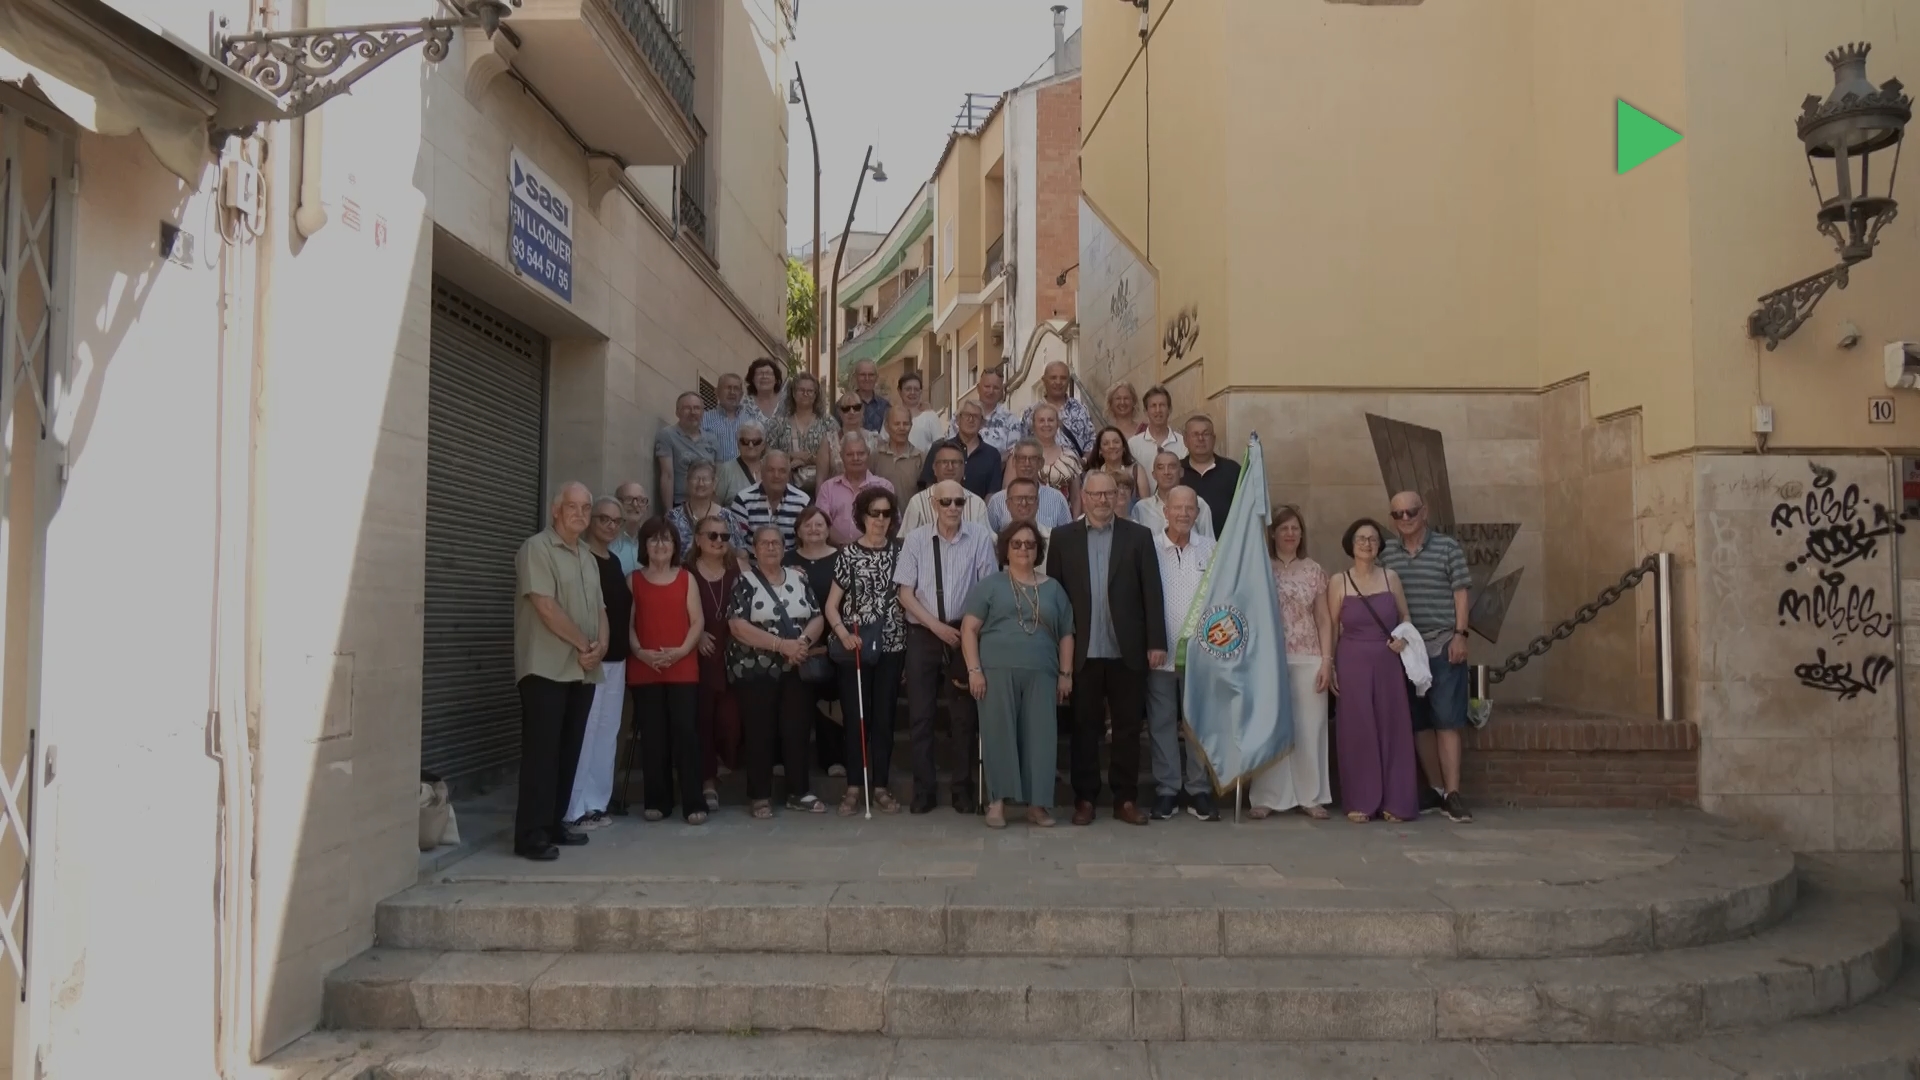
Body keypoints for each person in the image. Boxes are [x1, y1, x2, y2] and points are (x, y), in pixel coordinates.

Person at [1046, 470, 1166, 827]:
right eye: (1095, 494)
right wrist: (1056, 650)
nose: (1102, 500)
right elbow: (1055, 597)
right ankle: (1085, 799)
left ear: (1118, 497)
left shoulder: (1138, 536)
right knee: (1084, 729)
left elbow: (1151, 592)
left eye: (1108, 494)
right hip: (1081, 651)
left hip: (1126, 650)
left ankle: (1125, 799)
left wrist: (1156, 642)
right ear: (1083, 498)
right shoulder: (1062, 538)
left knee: (1127, 729)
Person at [511, 482, 606, 861]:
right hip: (546, 668)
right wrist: (585, 646)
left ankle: (553, 823)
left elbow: (600, 609)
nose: (580, 514)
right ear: (555, 510)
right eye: (572, 506)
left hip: (582, 670)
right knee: (542, 753)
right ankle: (530, 834)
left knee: (569, 751)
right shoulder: (536, 548)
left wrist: (600, 647)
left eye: (586, 508)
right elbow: (545, 606)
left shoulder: (587, 556)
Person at [895, 480, 1001, 814]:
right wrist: (936, 626)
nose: (953, 508)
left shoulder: (980, 537)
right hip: (924, 632)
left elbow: (988, 588)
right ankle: (923, 790)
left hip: (964, 633)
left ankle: (962, 789)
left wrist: (967, 628)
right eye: (946, 502)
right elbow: (905, 593)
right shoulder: (916, 539)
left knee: (963, 718)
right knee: (921, 715)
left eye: (959, 502)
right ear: (934, 503)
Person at [962, 521, 1075, 829]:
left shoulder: (1053, 588)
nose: (1023, 549)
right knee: (998, 734)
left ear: (1038, 550)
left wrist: (1066, 674)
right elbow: (969, 629)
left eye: (1030, 544)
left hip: (1042, 672)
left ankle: (1037, 805)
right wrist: (974, 670)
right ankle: (997, 803)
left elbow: (1067, 633)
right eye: (1017, 544)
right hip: (996, 672)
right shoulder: (990, 585)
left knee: (1041, 738)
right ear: (1006, 550)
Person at [1380, 490, 1475, 824]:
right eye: (1398, 514)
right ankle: (1436, 789)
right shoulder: (1385, 553)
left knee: (1447, 720)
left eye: (1411, 511)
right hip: (1407, 652)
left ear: (1425, 512)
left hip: (1443, 644)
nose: (1405, 518)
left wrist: (1460, 635)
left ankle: (1453, 793)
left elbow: (1461, 593)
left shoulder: (1447, 548)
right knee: (1419, 723)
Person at [726, 525, 829, 818]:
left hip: (796, 666)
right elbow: (737, 626)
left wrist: (802, 642)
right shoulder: (744, 581)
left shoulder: (799, 577)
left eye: (776, 543)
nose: (771, 548)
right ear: (755, 550)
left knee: (797, 728)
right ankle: (760, 795)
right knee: (759, 731)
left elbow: (817, 617)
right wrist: (780, 645)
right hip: (755, 670)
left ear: (784, 549)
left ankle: (799, 791)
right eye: (764, 543)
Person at [824, 487, 908, 816]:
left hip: (892, 645)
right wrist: (843, 634)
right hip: (856, 646)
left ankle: (881, 787)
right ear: (862, 516)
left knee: (885, 718)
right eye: (874, 513)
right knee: (857, 717)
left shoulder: (901, 552)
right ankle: (853, 788)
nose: (880, 520)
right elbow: (831, 606)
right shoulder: (848, 554)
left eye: (886, 513)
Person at [1329, 518, 1418, 824]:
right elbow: (1332, 627)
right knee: (1357, 728)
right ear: (1351, 545)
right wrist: (1331, 665)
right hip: (1351, 662)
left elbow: (1405, 615)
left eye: (1372, 539)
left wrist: (1403, 637)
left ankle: (1397, 801)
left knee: (1392, 727)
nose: (1367, 544)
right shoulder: (1339, 581)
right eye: (1361, 539)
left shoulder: (1391, 578)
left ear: (1379, 545)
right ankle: (1361, 800)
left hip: (1387, 662)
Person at [1249, 505, 1334, 820]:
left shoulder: (1314, 570)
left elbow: (1323, 618)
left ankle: (1310, 795)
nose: (1290, 534)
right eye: (1284, 528)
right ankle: (1266, 796)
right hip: (1270, 659)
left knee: (1310, 728)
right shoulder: (1261, 568)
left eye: (1295, 528)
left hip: (1309, 657)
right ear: (1273, 533)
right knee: (1270, 727)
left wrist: (1326, 661)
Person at [626, 518, 706, 824]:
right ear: (644, 545)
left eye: (666, 539)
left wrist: (681, 652)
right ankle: (658, 800)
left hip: (682, 666)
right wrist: (640, 652)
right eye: (653, 539)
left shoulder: (687, 578)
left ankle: (694, 802)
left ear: (675, 546)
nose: (660, 545)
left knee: (686, 734)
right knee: (653, 736)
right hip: (645, 667)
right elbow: (628, 625)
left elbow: (697, 622)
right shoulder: (633, 580)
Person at [1145, 487, 1218, 821]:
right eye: (1178, 508)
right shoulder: (1149, 548)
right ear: (1166, 511)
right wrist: (1150, 642)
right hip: (1161, 653)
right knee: (1161, 722)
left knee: (1197, 724)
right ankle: (1167, 789)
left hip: (1201, 657)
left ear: (1198, 514)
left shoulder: (1212, 549)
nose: (1184, 514)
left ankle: (1199, 788)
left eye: (1190, 508)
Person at [564, 497, 633, 831]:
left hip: (617, 660)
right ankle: (572, 808)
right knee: (585, 733)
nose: (610, 526)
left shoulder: (615, 561)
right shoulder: (579, 557)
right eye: (604, 518)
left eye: (616, 521)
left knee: (606, 735)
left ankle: (595, 803)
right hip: (589, 659)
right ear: (590, 520)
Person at [786, 506, 846, 781]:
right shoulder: (787, 559)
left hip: (834, 640)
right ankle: (787, 761)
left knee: (830, 702)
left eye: (819, 524)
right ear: (798, 531)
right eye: (807, 525)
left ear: (828, 528)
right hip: (794, 643)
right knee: (793, 705)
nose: (813, 529)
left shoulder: (841, 558)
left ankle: (833, 758)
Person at [687, 514, 742, 811]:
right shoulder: (686, 572)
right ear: (698, 540)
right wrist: (694, 636)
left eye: (724, 536)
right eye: (712, 535)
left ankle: (725, 762)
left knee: (730, 720)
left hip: (732, 654)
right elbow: (673, 611)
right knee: (703, 720)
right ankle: (707, 781)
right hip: (699, 655)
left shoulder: (737, 570)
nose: (719, 541)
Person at [816, 433, 894, 546]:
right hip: (835, 550)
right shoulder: (828, 488)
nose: (856, 458)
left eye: (861, 454)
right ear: (841, 456)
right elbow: (820, 524)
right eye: (850, 454)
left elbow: (893, 524)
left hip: (874, 550)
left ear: (868, 454)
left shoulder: (884, 487)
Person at [725, 449, 810, 552]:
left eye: (782, 471)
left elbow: (807, 544)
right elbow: (737, 546)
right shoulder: (743, 500)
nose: (776, 475)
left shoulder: (803, 501)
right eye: (771, 470)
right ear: (761, 471)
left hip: (791, 561)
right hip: (753, 561)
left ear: (788, 474)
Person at [901, 440, 990, 533]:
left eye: (955, 462)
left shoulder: (977, 504)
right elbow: (907, 539)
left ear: (963, 468)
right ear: (934, 468)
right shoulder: (917, 503)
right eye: (944, 462)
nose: (950, 467)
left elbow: (986, 538)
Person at [920, 400, 1002, 498]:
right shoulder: (939, 449)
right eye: (967, 415)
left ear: (982, 423)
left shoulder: (992, 455)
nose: (971, 419)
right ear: (958, 420)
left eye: (976, 416)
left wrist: (979, 508)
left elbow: (992, 493)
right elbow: (928, 485)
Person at [771, 371, 835, 494]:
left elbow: (836, 458)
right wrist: (790, 457)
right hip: (786, 489)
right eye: (801, 390)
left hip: (821, 489)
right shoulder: (778, 423)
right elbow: (768, 454)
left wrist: (808, 459)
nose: (805, 394)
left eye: (810, 391)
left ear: (816, 394)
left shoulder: (828, 423)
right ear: (793, 393)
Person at [990, 439, 1072, 531]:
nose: (1027, 464)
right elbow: (991, 537)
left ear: (1041, 463)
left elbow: (1068, 535)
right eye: (1022, 458)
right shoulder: (997, 501)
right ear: (1014, 462)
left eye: (1033, 459)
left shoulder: (1057, 499)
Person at [655, 393, 720, 509]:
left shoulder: (712, 439)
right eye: (687, 408)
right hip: (681, 503)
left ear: (702, 412)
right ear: (677, 412)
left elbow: (717, 476)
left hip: (707, 503)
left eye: (697, 408)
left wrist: (716, 509)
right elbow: (667, 476)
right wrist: (669, 513)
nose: (693, 412)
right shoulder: (668, 435)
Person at [1180, 414, 1241, 535]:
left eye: (1206, 434)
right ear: (1185, 440)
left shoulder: (1232, 470)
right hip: (1185, 544)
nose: (1201, 438)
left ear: (1214, 439)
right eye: (1195, 434)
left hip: (1226, 542)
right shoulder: (1175, 470)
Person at [1022, 360, 1095, 457]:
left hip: (1076, 465)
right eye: (1053, 378)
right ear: (1044, 380)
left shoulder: (1080, 409)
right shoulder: (1030, 412)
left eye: (1063, 378)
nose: (1058, 382)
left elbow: (1091, 443)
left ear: (1068, 381)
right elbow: (1023, 444)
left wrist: (1084, 461)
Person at [1133, 451, 1214, 539]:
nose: (1166, 472)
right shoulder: (1141, 508)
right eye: (1160, 468)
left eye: (1172, 467)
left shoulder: (1198, 504)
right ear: (1154, 475)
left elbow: (1209, 541)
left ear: (1181, 472)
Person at [1128, 385, 1186, 491]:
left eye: (1162, 405)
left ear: (1169, 410)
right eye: (1153, 406)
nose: (1158, 410)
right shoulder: (1133, 444)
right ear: (1146, 411)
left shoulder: (1183, 443)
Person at [1029, 404, 1084, 515]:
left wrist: (1074, 523)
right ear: (1034, 425)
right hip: (1031, 517)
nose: (1046, 424)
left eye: (1050, 420)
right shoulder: (1022, 455)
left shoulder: (1070, 457)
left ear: (1058, 424)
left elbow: (1076, 497)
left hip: (1063, 518)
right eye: (1041, 420)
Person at [950, 368, 1021, 453]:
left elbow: (1013, 453)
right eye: (987, 386)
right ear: (978, 388)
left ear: (1002, 391)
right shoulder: (959, 416)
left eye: (996, 388)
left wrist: (991, 459)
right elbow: (949, 448)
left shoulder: (1011, 420)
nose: (991, 391)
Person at [1085, 426, 1147, 517]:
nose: (1112, 446)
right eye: (1106, 443)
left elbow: (1146, 506)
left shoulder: (1136, 471)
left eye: (1116, 442)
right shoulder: (1092, 475)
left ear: (1124, 447)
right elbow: (1087, 507)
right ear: (1100, 451)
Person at [667, 460, 723, 554]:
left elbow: (740, 554)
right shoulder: (672, 517)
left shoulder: (726, 517)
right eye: (695, 478)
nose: (700, 484)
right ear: (687, 482)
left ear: (714, 483)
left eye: (705, 479)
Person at [871, 407, 926, 500]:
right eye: (897, 424)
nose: (902, 428)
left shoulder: (920, 458)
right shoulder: (876, 456)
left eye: (906, 424)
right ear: (887, 427)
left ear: (911, 426)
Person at [715, 422, 766, 507]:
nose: (750, 446)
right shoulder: (726, 470)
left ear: (763, 445)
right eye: (745, 441)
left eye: (756, 442)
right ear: (738, 444)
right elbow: (715, 504)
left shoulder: (771, 468)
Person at [897, 370, 947, 451]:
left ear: (920, 392)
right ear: (899, 391)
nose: (912, 392)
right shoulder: (892, 416)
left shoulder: (931, 417)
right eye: (908, 389)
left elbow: (940, 447)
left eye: (916, 389)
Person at [703, 372, 747, 464]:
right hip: (714, 471)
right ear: (716, 392)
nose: (732, 392)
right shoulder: (703, 419)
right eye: (728, 387)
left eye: (736, 388)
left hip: (744, 473)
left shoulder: (751, 420)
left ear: (741, 394)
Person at [609, 481, 652, 574]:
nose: (635, 505)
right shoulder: (607, 541)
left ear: (646, 507)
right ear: (616, 504)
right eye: (628, 499)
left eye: (640, 500)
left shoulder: (652, 540)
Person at [742, 357, 787, 434]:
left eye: (768, 373)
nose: (764, 377)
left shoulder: (787, 402)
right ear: (752, 380)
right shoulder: (744, 404)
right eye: (759, 374)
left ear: (776, 379)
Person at [852, 358, 889, 432]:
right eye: (863, 375)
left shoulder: (885, 407)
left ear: (876, 378)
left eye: (871, 375)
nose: (867, 378)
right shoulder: (844, 407)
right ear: (855, 377)